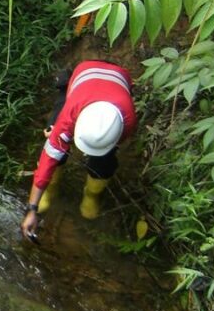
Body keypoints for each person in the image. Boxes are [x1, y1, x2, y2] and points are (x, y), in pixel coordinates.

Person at [20, 60, 137, 240]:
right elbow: (47, 160)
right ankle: (51, 190)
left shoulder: (127, 120)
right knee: (53, 135)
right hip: (83, 78)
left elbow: (111, 144)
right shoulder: (70, 114)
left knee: (104, 160)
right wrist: (32, 208)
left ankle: (91, 195)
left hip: (117, 80)